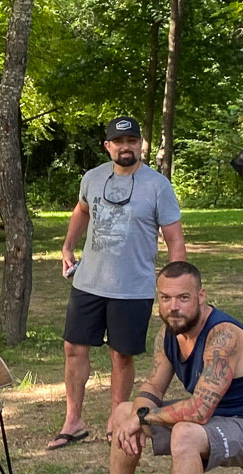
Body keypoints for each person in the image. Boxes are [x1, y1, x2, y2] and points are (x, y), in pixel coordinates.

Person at [66, 259, 243, 474]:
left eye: (183, 298)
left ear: (201, 296)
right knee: (123, 411)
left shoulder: (224, 337)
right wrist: (136, 415)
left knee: (184, 433)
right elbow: (152, 386)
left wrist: (143, 418)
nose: (174, 307)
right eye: (166, 298)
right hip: (217, 418)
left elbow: (199, 410)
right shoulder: (169, 334)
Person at [51, 115, 187, 450]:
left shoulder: (158, 186)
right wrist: (68, 245)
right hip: (88, 282)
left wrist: (176, 286)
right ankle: (73, 421)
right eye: (119, 142)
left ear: (140, 144)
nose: (126, 147)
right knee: (73, 349)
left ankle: (116, 418)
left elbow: (174, 239)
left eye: (132, 141)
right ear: (108, 146)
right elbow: (82, 210)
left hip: (132, 288)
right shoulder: (93, 178)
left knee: (121, 355)